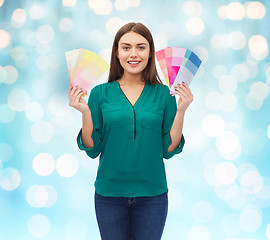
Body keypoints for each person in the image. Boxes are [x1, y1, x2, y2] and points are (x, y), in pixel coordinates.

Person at [68, 22, 193, 240]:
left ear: (150, 52)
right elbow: (92, 148)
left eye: (141, 47)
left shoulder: (164, 95)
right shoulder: (99, 93)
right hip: (109, 195)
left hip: (153, 195)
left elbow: (169, 149)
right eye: (126, 47)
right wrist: (85, 112)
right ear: (116, 52)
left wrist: (181, 110)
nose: (133, 54)